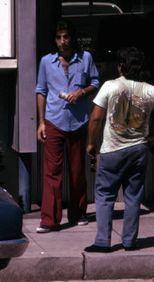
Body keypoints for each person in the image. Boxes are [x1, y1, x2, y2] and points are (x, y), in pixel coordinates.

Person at [84, 47, 154, 253]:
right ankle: (129, 241)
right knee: (133, 197)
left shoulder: (110, 86)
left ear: (120, 67)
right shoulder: (151, 90)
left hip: (112, 150)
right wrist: (153, 136)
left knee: (105, 195)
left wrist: (91, 143)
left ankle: (102, 241)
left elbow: (96, 118)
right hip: (138, 149)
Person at [36, 19, 100, 233]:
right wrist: (41, 122)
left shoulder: (85, 58)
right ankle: (49, 219)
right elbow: (41, 90)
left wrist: (80, 92)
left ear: (72, 38)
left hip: (78, 120)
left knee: (77, 170)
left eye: (66, 36)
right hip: (54, 120)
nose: (62, 41)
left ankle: (78, 212)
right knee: (52, 171)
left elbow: (96, 82)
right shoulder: (46, 61)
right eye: (58, 37)